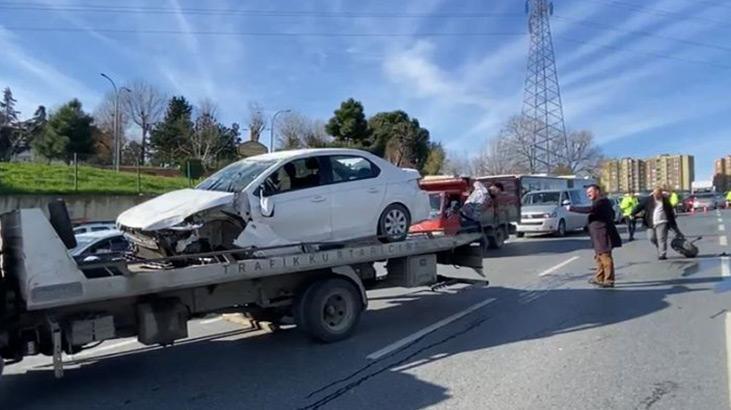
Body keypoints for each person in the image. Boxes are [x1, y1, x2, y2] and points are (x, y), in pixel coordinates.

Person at [569, 184, 622, 288]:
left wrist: (571, 208)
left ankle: (609, 280)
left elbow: (590, 209)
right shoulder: (599, 202)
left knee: (605, 256)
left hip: (602, 233)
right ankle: (599, 278)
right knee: (599, 257)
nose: (587, 194)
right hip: (598, 234)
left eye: (590, 191)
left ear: (597, 191)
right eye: (587, 192)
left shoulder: (601, 201)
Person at [633, 187, 679, 260]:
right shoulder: (648, 200)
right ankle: (659, 246)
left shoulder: (665, 201)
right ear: (653, 194)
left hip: (662, 222)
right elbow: (639, 207)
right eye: (655, 194)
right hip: (650, 223)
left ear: (661, 194)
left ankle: (662, 254)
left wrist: (673, 225)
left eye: (658, 194)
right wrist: (632, 213)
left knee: (661, 239)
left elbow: (670, 212)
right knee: (651, 237)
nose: (657, 196)